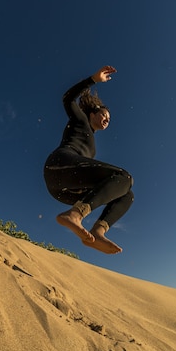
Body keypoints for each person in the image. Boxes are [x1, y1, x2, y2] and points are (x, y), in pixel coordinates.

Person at [43, 65, 134, 254]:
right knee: (123, 177)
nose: (107, 120)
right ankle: (75, 215)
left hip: (64, 190)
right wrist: (92, 79)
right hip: (58, 166)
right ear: (93, 113)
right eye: (104, 115)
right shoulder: (80, 120)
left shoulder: (92, 143)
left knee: (126, 194)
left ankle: (98, 231)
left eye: (109, 118)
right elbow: (67, 98)